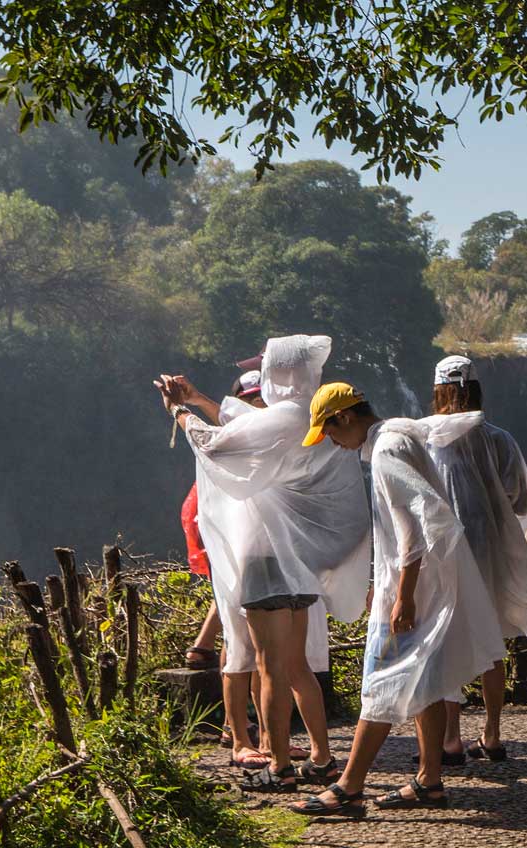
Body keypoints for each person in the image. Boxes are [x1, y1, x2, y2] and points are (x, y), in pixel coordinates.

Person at [156, 336, 371, 792]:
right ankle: (322, 757)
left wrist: (178, 411)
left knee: (271, 669)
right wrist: (196, 398)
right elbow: (244, 420)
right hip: (302, 562)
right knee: (297, 667)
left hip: (265, 560)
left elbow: (219, 446)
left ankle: (280, 768)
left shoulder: (281, 419)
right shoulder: (313, 417)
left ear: (274, 373)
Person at [290, 383, 505, 818]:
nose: (333, 442)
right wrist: (384, 579)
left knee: (381, 682)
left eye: (330, 432)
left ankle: (349, 787)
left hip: (413, 589)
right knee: (426, 680)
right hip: (422, 582)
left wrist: (401, 595)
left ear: (346, 418)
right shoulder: (401, 435)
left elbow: (414, 527)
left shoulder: (387, 452)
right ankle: (429, 780)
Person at [427, 355, 527, 763]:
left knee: (446, 640)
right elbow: (520, 497)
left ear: (437, 391)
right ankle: (491, 734)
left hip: (444, 552)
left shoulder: (428, 439)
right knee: (491, 645)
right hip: (489, 549)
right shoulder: (498, 439)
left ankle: (450, 737)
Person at [181, 371, 267, 672]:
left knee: (232, 587)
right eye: (253, 400)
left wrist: (192, 402)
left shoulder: (249, 429)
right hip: (222, 517)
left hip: (216, 513)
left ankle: (203, 646)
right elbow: (202, 434)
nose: (260, 404)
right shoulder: (243, 434)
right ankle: (239, 709)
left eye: (263, 398)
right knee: (235, 589)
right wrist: (182, 409)